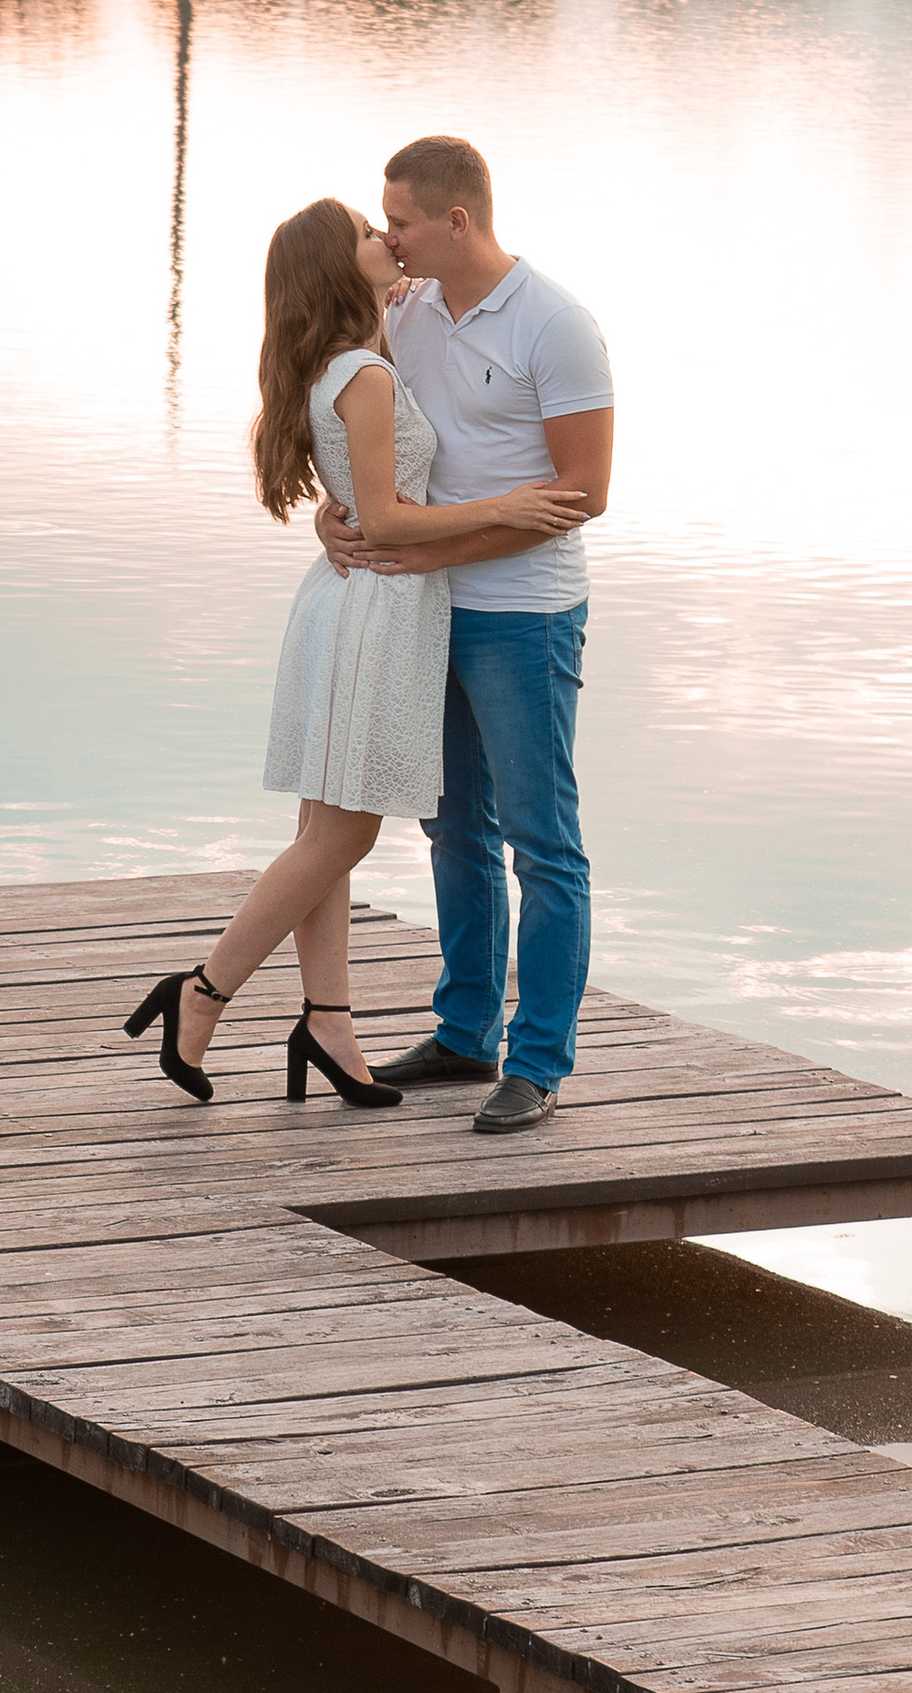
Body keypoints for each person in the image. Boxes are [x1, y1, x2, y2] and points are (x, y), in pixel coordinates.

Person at [124, 196, 585, 1108]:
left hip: (347, 605)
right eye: (369, 234)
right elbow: (381, 518)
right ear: (343, 268)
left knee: (322, 835)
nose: (386, 239)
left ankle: (329, 1021)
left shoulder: (348, 355)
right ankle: (203, 994)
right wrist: (507, 506)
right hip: (377, 610)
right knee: (345, 833)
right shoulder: (365, 373)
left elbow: (357, 502)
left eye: (392, 225)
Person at [319, 134, 613, 1135]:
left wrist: (436, 554)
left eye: (397, 220)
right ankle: (463, 1032)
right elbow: (372, 436)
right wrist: (338, 515)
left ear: (456, 220)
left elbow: (583, 494)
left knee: (543, 842)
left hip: (524, 618)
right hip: (427, 607)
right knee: (451, 829)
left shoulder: (556, 326)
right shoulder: (407, 313)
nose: (384, 235)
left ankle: (536, 1065)